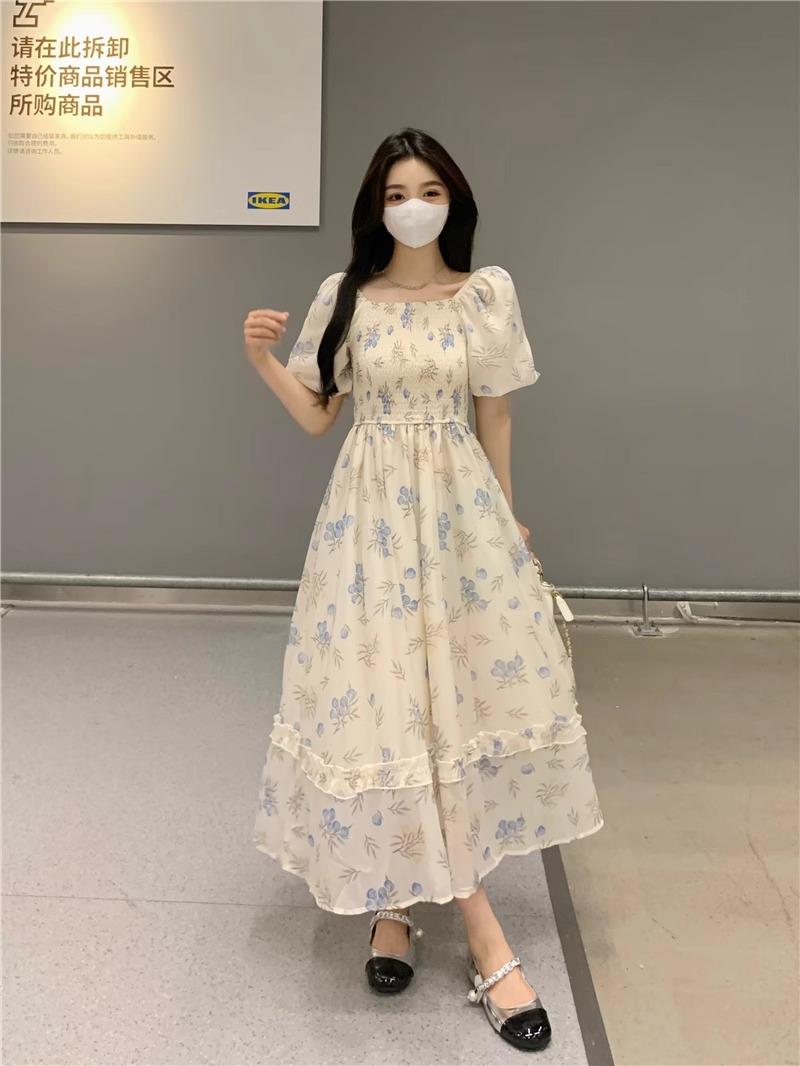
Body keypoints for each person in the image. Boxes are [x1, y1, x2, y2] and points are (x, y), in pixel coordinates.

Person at [244, 127, 604, 1052]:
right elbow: (319, 417)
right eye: (398, 191)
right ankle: (438, 918)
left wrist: (508, 522)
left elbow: (497, 412)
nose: (413, 206)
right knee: (388, 703)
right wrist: (261, 363)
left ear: (454, 202)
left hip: (456, 518)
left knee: (451, 703)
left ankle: (420, 910)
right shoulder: (345, 297)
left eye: (430, 190)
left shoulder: (484, 295)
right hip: (367, 524)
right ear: (377, 206)